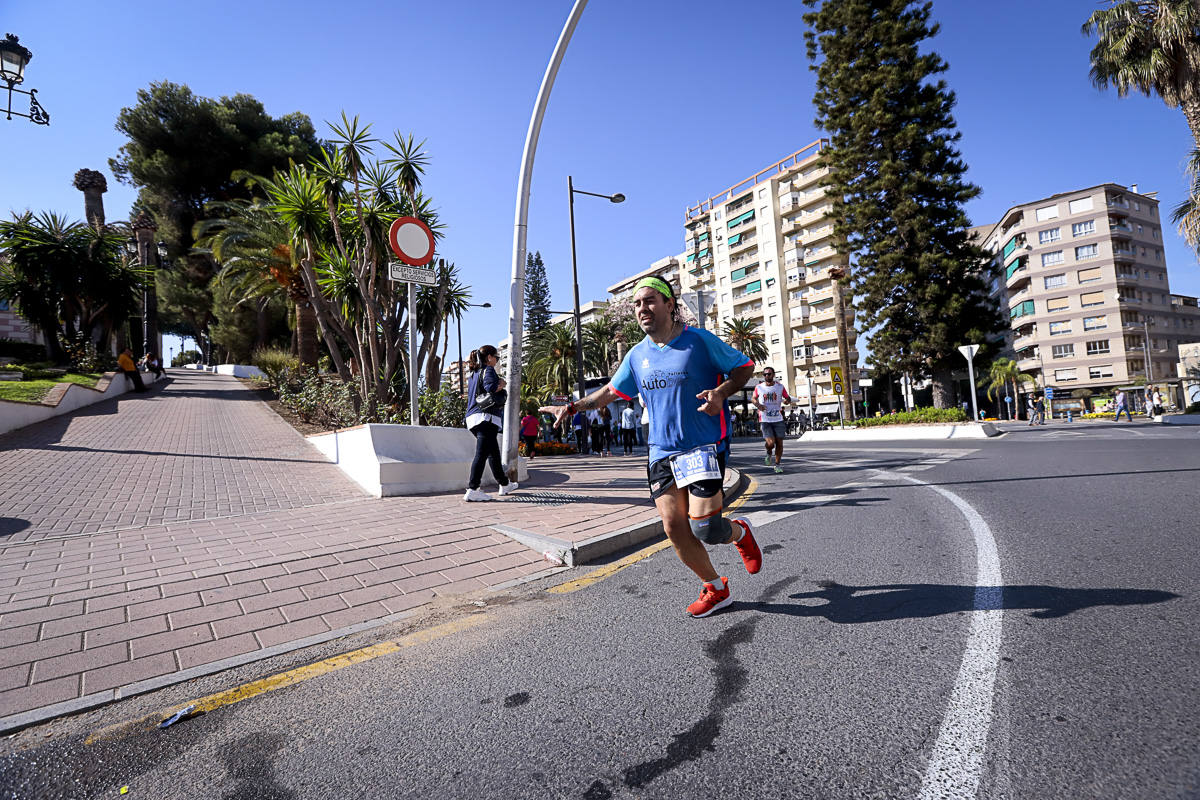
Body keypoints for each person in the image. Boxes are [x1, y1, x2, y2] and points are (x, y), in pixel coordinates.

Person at [540, 277, 762, 618]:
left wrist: (720, 393)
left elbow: (744, 368)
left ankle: (740, 532)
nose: (643, 309)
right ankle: (716, 588)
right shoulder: (636, 356)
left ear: (670, 305)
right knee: (674, 527)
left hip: (703, 447)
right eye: (637, 304)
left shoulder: (698, 341)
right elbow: (610, 393)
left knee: (706, 528)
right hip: (661, 452)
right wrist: (570, 407)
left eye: (650, 301)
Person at [463, 345, 516, 501]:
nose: (497, 360)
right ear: (489, 358)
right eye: (497, 357)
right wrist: (502, 384)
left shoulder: (473, 374)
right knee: (481, 454)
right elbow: (491, 388)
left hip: (473, 418)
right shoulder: (488, 370)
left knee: (493, 453)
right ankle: (473, 489)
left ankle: (505, 484)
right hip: (486, 418)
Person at [752, 367, 792, 474]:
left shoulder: (780, 387)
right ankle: (769, 452)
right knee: (770, 443)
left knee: (779, 443)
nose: (767, 376)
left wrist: (787, 401)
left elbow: (787, 398)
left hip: (778, 419)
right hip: (765, 419)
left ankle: (777, 465)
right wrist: (758, 405)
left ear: (773, 374)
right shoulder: (759, 387)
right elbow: (753, 398)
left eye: (769, 374)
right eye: (765, 375)